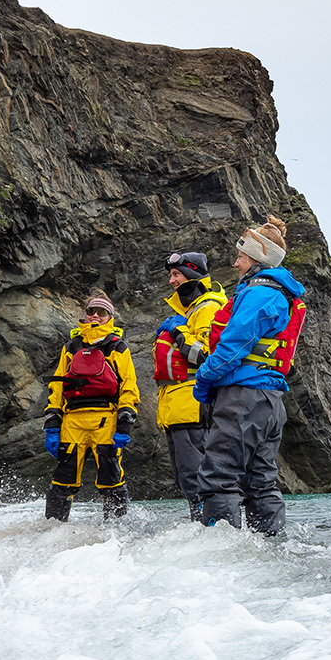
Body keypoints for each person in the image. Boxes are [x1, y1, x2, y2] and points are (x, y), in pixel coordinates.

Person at [192, 216, 307, 536]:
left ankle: (221, 559)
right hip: (269, 401)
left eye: (241, 256)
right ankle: (268, 554)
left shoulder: (260, 294)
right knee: (260, 483)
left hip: (243, 396)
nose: (236, 262)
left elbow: (231, 348)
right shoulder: (280, 293)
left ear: (258, 257)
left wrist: (202, 382)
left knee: (219, 478)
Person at [43, 289, 139, 521]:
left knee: (111, 479)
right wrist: (52, 424)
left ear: (110, 316)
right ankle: (52, 532)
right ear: (85, 314)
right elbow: (57, 387)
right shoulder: (71, 346)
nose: (96, 316)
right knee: (62, 480)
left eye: (102, 312)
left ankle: (118, 533)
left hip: (105, 420)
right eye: (91, 311)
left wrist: (124, 423)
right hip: (72, 422)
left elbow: (128, 386)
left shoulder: (117, 347)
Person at [153, 252, 227, 521]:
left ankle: (210, 527)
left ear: (192, 274)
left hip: (192, 405)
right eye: (171, 275)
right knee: (187, 476)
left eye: (177, 274)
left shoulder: (206, 308)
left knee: (196, 475)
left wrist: (177, 332)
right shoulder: (189, 310)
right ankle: (201, 527)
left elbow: (208, 355)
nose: (172, 281)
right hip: (178, 406)